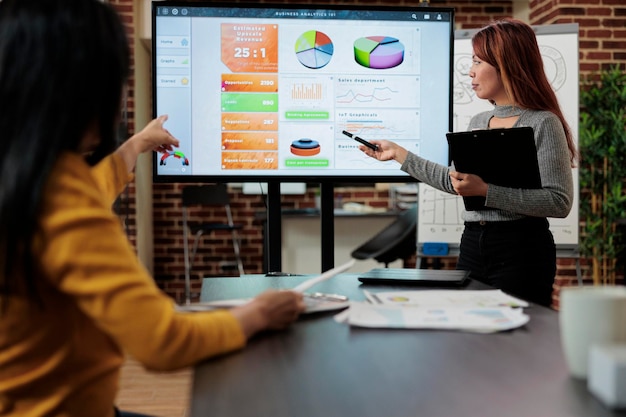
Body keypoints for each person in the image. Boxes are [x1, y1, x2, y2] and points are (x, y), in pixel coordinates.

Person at [0, 1, 305, 416]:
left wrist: (137, 144)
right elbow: (164, 341)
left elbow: (84, 192)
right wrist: (258, 313)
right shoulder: (62, 196)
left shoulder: (24, 178)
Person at [359, 18, 576, 308]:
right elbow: (458, 181)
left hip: (522, 250)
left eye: (477, 62)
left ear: (506, 63)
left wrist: (486, 191)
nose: (470, 71)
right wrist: (398, 154)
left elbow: (558, 202)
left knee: (513, 345)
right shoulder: (478, 122)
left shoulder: (543, 123)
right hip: (473, 244)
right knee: (470, 335)